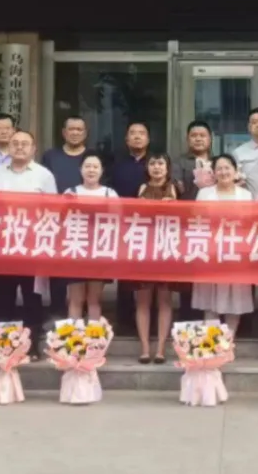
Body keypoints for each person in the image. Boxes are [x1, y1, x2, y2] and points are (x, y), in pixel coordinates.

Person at [0, 130, 55, 360]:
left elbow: (53, 210)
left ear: (33, 149)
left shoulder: (44, 175)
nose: (19, 147)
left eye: (24, 143)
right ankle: (4, 344)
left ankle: (31, 345)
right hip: (3, 247)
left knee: (32, 298)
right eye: (15, 143)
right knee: (2, 296)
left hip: (32, 247)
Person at [193, 154, 255, 337]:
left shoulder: (246, 195)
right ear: (213, 172)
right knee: (210, 301)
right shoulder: (204, 194)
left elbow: (250, 224)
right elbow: (197, 221)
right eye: (219, 168)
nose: (223, 172)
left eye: (227, 167)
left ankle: (228, 342)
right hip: (211, 253)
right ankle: (212, 344)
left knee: (235, 301)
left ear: (235, 171)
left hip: (236, 254)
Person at [41, 116, 90, 319]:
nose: (75, 133)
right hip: (56, 219)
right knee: (57, 266)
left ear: (85, 133)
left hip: (85, 221)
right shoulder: (50, 156)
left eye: (79, 129)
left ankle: (81, 311)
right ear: (63, 132)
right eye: (71, 129)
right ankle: (57, 310)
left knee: (83, 268)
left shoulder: (92, 157)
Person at [134, 152, 180, 364]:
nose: (157, 167)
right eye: (152, 163)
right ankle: (144, 348)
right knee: (143, 300)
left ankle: (161, 348)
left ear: (168, 167)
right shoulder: (142, 188)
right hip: (144, 248)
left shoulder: (175, 188)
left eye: (161, 163)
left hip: (166, 248)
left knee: (164, 300)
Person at [62, 152, 118, 320]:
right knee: (75, 299)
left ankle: (94, 336)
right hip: (75, 250)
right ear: (80, 169)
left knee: (94, 300)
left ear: (102, 170)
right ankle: (73, 335)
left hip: (99, 251)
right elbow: (61, 221)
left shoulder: (110, 194)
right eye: (87, 166)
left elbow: (118, 222)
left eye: (95, 167)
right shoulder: (70, 193)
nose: (91, 170)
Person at [108, 122, 152, 335]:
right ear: (126, 140)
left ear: (148, 139)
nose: (137, 137)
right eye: (132, 133)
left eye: (141, 133)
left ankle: (149, 321)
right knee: (125, 273)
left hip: (150, 228)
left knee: (149, 275)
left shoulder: (155, 163)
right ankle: (124, 320)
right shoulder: (116, 165)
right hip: (123, 225)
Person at [174, 121, 214, 322]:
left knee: (211, 272)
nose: (198, 139)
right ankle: (188, 320)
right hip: (188, 226)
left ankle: (211, 319)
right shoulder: (179, 163)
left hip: (214, 226)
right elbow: (178, 189)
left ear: (210, 139)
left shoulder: (218, 161)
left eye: (202, 135)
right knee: (188, 274)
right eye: (194, 135)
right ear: (187, 139)